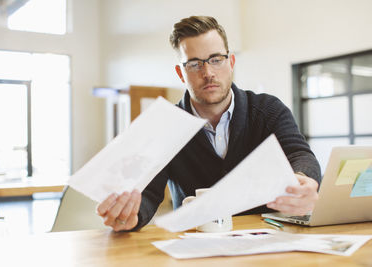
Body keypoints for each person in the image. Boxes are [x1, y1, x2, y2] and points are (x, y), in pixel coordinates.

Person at [97, 16, 321, 232]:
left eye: (216, 60)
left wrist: (302, 178)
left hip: (264, 239)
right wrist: (131, 216)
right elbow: (148, 191)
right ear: (181, 73)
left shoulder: (268, 110)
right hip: (195, 243)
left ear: (230, 62)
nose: (208, 73)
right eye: (194, 64)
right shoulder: (167, 126)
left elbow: (298, 153)